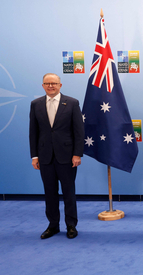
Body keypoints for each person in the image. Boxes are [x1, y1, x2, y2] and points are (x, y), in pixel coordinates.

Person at [29, 73, 84, 239]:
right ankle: (53, 225)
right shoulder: (35, 104)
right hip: (45, 157)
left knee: (69, 192)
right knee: (49, 192)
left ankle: (71, 225)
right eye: (47, 83)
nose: (50, 86)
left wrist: (77, 154)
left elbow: (79, 132)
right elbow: (33, 132)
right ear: (43, 86)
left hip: (67, 157)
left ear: (60, 85)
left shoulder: (72, 103)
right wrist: (34, 156)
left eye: (54, 83)